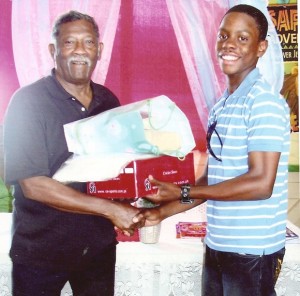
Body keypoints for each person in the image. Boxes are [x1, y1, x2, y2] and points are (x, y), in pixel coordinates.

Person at [134, 4, 290, 296]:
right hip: (219, 243)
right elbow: (210, 182)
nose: (229, 44)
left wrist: (182, 192)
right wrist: (162, 212)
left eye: (243, 38)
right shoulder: (222, 105)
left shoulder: (263, 102)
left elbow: (261, 184)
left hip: (251, 250)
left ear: (261, 47)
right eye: (224, 36)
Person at [4, 11, 141, 296]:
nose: (80, 51)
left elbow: (112, 170)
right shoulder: (27, 102)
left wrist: (138, 190)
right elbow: (34, 185)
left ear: (99, 50)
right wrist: (112, 209)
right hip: (40, 252)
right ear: (54, 50)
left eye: (89, 42)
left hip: (97, 247)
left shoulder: (108, 101)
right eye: (70, 43)